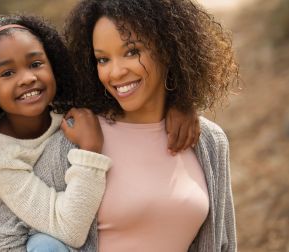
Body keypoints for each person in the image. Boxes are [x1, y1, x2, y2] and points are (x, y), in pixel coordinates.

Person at [0, 14, 200, 252]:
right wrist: (89, 150)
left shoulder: (74, 106)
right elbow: (68, 229)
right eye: (8, 73)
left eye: (35, 64)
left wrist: (179, 104)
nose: (27, 78)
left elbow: (132, 96)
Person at [63, 0, 239, 251]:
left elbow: (224, 244)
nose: (115, 72)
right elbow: (9, 233)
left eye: (132, 52)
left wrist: (181, 99)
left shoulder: (208, 141)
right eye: (102, 59)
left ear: (168, 48)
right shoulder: (77, 135)